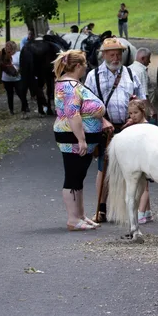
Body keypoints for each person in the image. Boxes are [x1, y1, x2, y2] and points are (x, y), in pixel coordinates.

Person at [86, 36, 146, 223]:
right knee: (103, 168)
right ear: (104, 55)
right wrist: (102, 121)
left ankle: (133, 210)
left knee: (133, 168)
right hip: (106, 129)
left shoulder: (130, 74)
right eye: (112, 54)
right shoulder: (93, 75)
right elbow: (88, 104)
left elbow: (142, 99)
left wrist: (135, 117)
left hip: (129, 128)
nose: (115, 58)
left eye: (118, 54)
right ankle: (101, 209)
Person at [53, 49, 110, 232]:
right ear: (78, 66)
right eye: (84, 65)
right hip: (73, 137)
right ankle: (73, 219)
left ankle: (80, 215)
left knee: (79, 176)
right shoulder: (69, 86)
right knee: (73, 176)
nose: (86, 68)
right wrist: (82, 139)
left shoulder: (72, 84)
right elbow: (72, 113)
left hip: (79, 136)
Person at [123, 99, 154, 224]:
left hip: (145, 160)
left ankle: (140, 212)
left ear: (143, 112)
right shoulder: (133, 125)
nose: (133, 116)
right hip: (137, 159)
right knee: (144, 186)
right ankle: (148, 211)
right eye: (130, 113)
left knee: (144, 187)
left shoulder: (146, 127)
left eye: (136, 113)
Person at [1, 41, 27, 114]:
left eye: (9, 46)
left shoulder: (18, 54)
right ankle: (11, 110)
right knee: (9, 94)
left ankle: (25, 106)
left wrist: (19, 70)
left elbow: (22, 64)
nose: (7, 48)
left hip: (17, 77)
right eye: (6, 46)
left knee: (20, 92)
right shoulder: (3, 55)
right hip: (6, 78)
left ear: (13, 47)